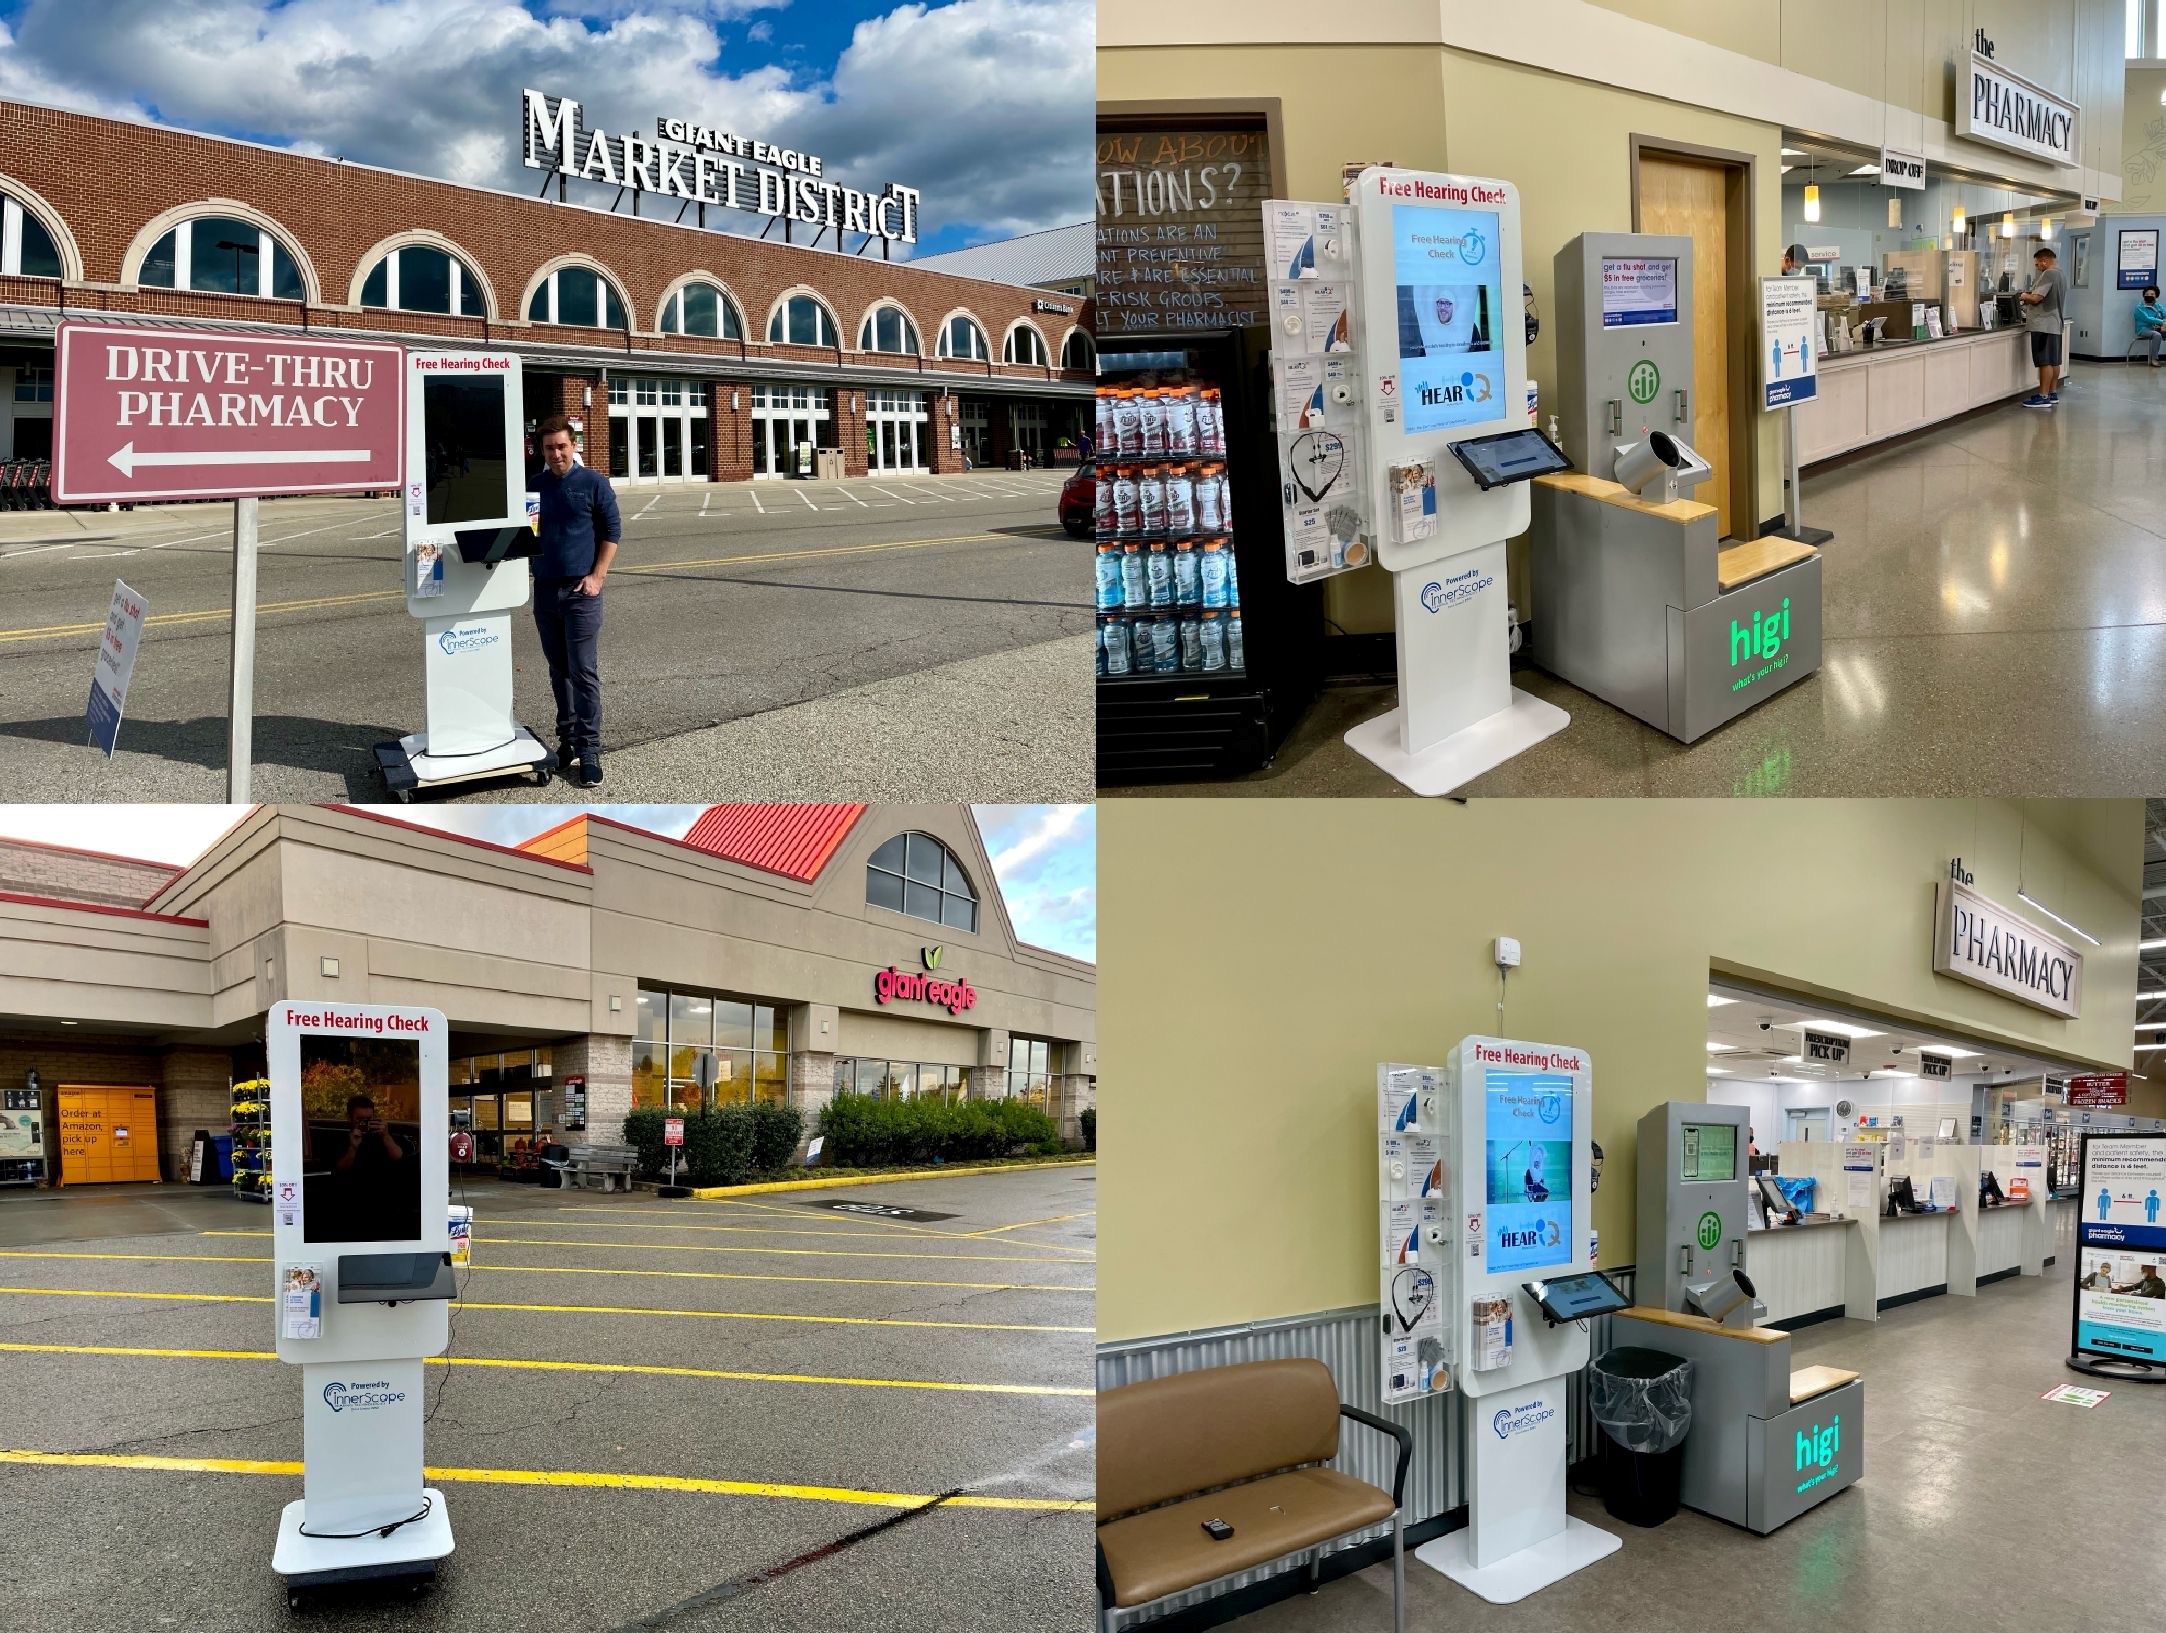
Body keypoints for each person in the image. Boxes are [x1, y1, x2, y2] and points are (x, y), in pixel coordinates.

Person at [529, 415, 621, 786]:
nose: (557, 454)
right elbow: (527, 530)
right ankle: (566, 741)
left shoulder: (593, 483)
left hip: (582, 593)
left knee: (582, 672)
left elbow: (612, 531)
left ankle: (589, 751)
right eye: (550, 448)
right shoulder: (534, 485)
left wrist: (597, 576)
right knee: (558, 671)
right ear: (542, 450)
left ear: (574, 445)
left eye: (562, 446)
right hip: (546, 591)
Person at [2019, 245, 2067, 407]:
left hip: (2043, 324)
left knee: (2044, 361)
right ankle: (2052, 393)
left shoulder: (2049, 274)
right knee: (2054, 361)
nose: (2037, 268)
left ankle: (2043, 396)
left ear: (2044, 261)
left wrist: (2024, 295)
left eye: (2037, 264)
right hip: (2055, 323)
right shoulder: (2061, 274)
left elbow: (2037, 298)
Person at [2137, 288, 2166, 367]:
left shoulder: (2159, 307)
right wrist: (2162, 322)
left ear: (2156, 296)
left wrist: (2164, 323)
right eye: (2147, 294)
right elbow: (2147, 318)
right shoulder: (2139, 308)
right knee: (2157, 335)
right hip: (2144, 329)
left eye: (2152, 294)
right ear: (2144, 296)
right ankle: (2154, 359)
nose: (2149, 296)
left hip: (2159, 328)